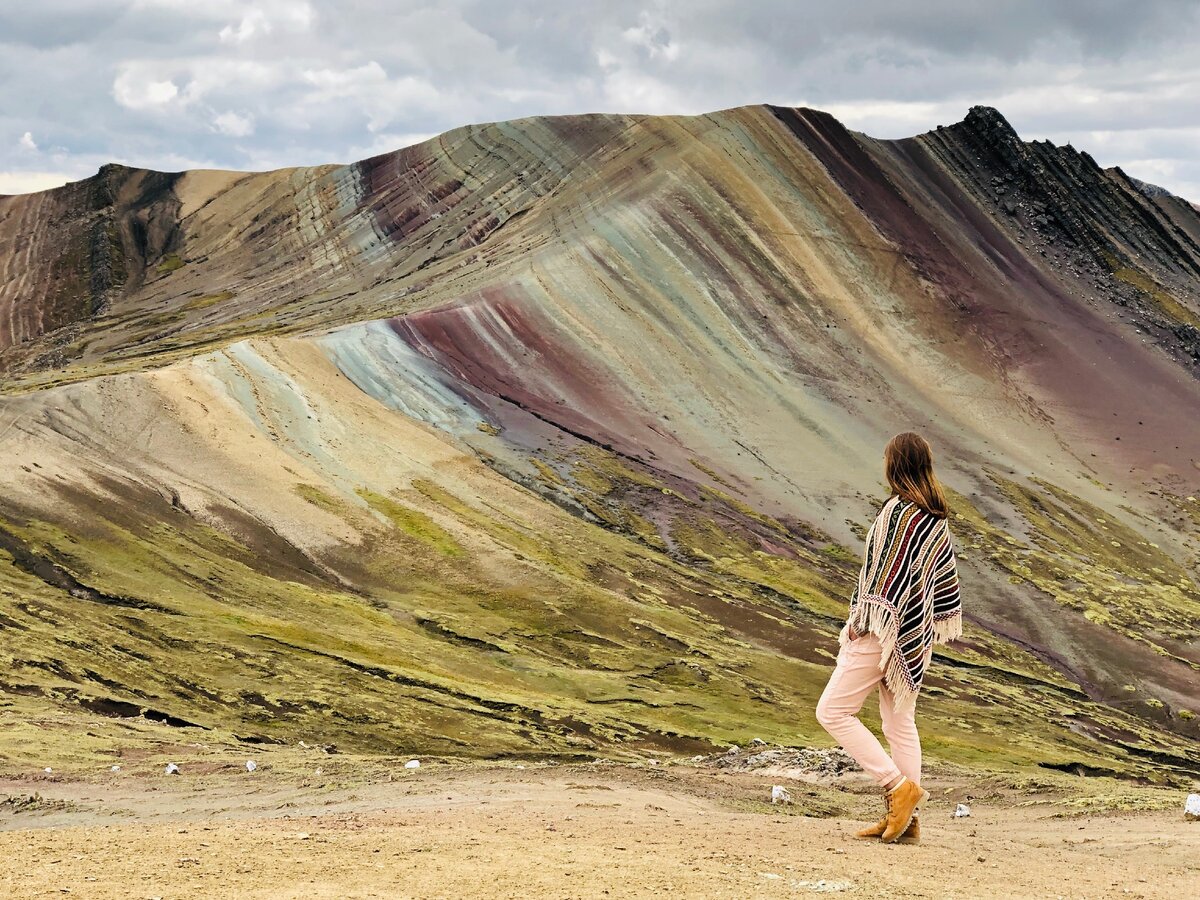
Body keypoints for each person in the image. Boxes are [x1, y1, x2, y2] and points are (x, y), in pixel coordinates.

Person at [815, 431, 962, 845]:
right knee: (900, 724)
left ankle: (898, 789)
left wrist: (863, 621)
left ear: (893, 464)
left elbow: (883, 579)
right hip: (913, 636)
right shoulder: (935, 518)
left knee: (832, 711)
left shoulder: (898, 512)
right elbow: (935, 586)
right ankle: (906, 821)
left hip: (881, 630)